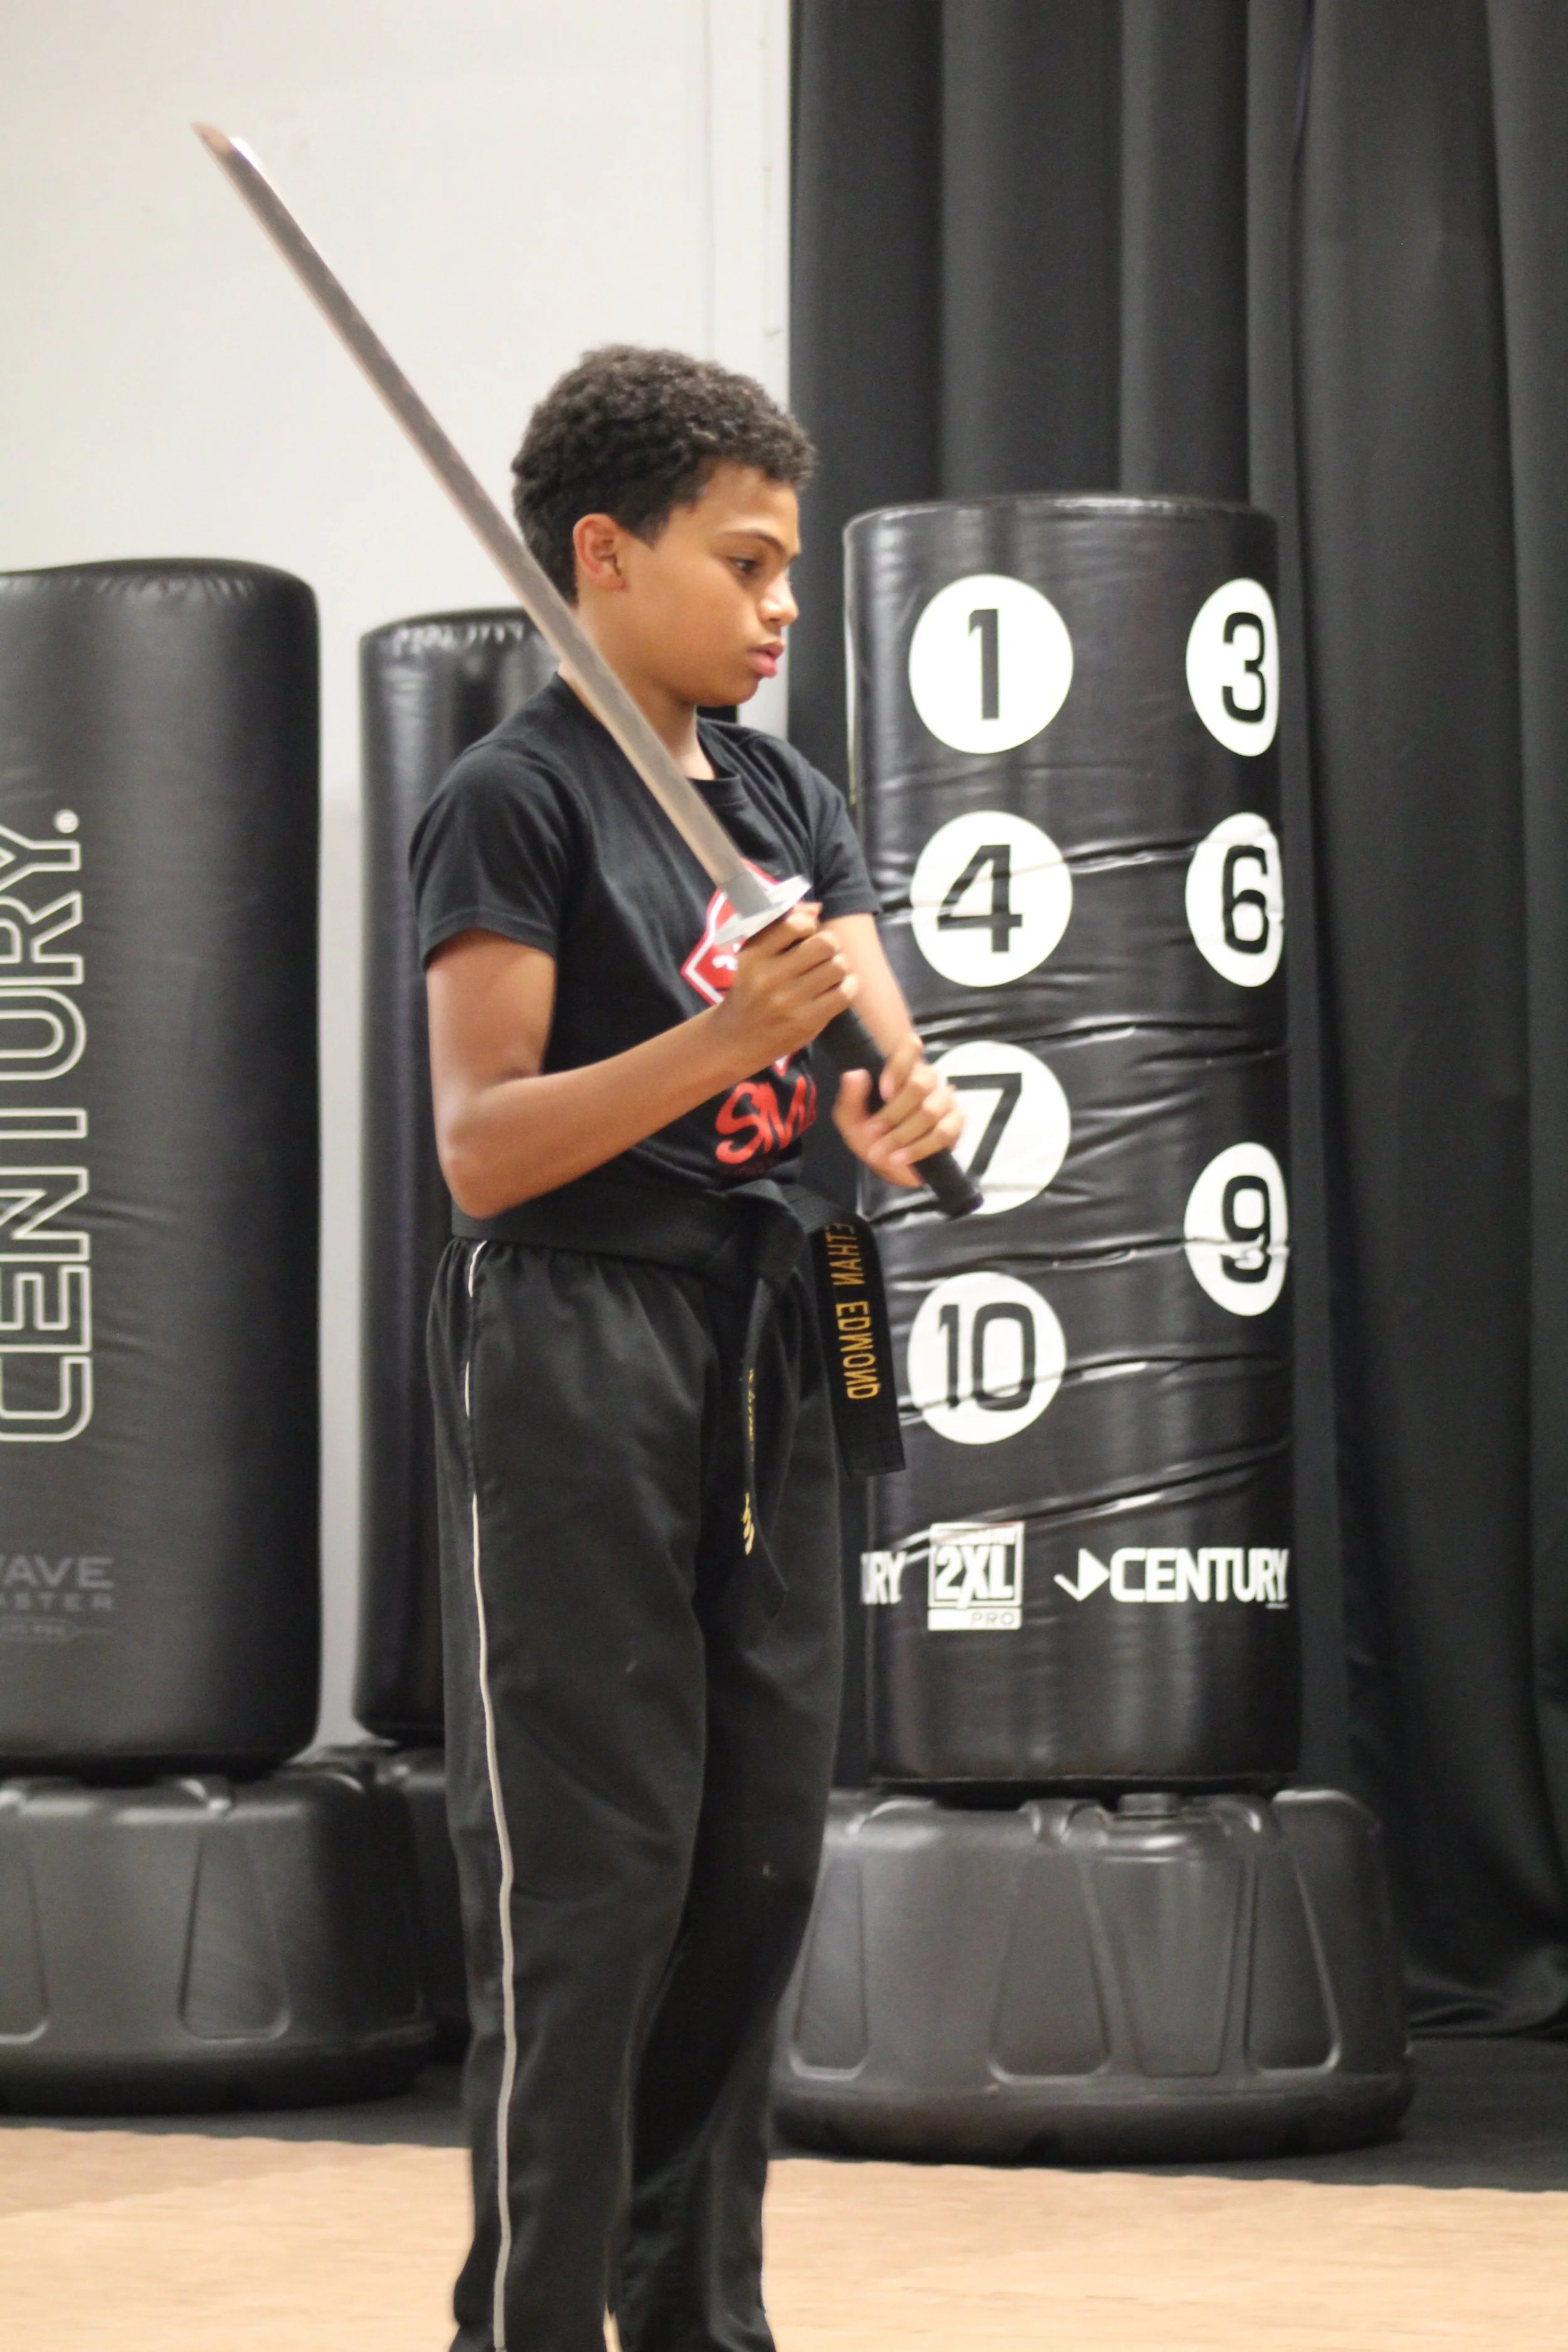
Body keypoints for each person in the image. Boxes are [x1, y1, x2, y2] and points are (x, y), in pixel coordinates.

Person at [410, 344, 961, 2352]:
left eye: (789, 566)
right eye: (742, 563)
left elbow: (884, 1078)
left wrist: (898, 1108)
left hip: (778, 1326)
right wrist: (731, 1041)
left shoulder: (790, 798)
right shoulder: (513, 797)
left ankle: (697, 2317)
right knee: (598, 1882)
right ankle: (535, 2324)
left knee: (751, 1866)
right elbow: (483, 1149)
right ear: (603, 555)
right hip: (575, 1333)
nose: (781, 601)